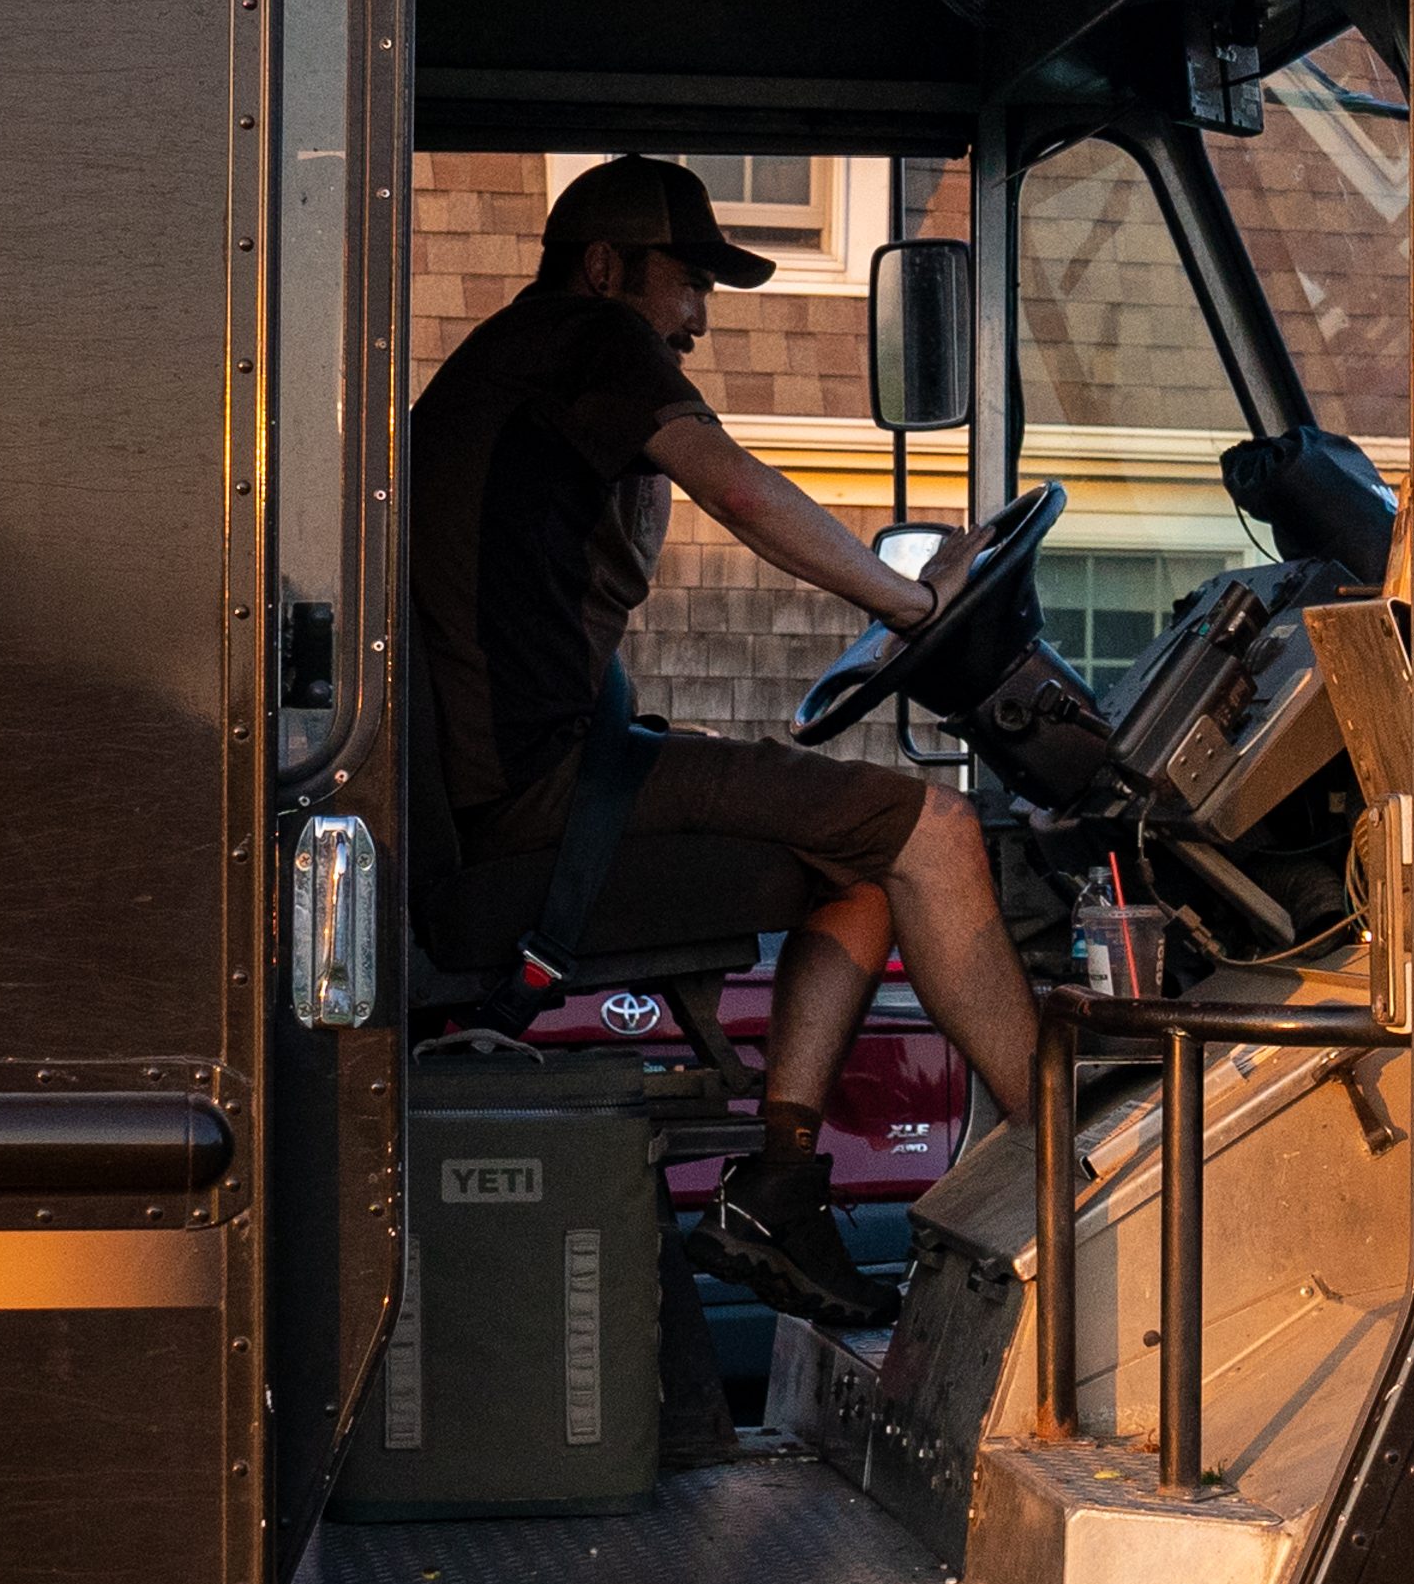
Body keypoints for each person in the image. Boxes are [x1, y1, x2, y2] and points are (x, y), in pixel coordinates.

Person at [410, 154, 1040, 1332]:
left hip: (550, 776)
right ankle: (1069, 1182)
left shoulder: (522, 375)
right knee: (938, 828)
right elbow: (743, 496)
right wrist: (914, 606)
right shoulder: (584, 337)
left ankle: (776, 1193)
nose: (700, 315)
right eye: (685, 279)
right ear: (605, 269)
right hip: (547, 793)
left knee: (862, 874)